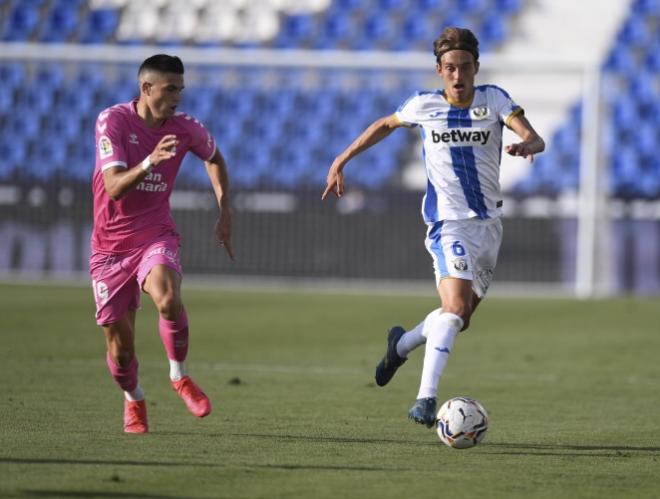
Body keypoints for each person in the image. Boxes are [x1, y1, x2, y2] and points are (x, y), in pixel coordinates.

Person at [322, 27, 545, 428]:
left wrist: (527, 143)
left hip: (489, 226)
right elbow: (386, 124)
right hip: (447, 224)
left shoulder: (494, 99)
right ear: (439, 70)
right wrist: (343, 157)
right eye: (449, 68)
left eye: (464, 67)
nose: (457, 75)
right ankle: (426, 400)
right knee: (455, 309)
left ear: (476, 67)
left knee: (458, 316)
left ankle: (401, 345)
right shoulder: (423, 105)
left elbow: (533, 136)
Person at [90, 54, 234, 433]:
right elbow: (114, 187)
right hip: (109, 249)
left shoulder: (186, 128)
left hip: (155, 233)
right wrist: (150, 162)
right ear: (146, 88)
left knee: (168, 298)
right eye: (171, 89)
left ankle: (179, 377)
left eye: (181, 90)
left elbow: (214, 157)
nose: (178, 98)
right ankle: (134, 397)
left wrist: (224, 206)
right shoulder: (113, 121)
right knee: (121, 354)